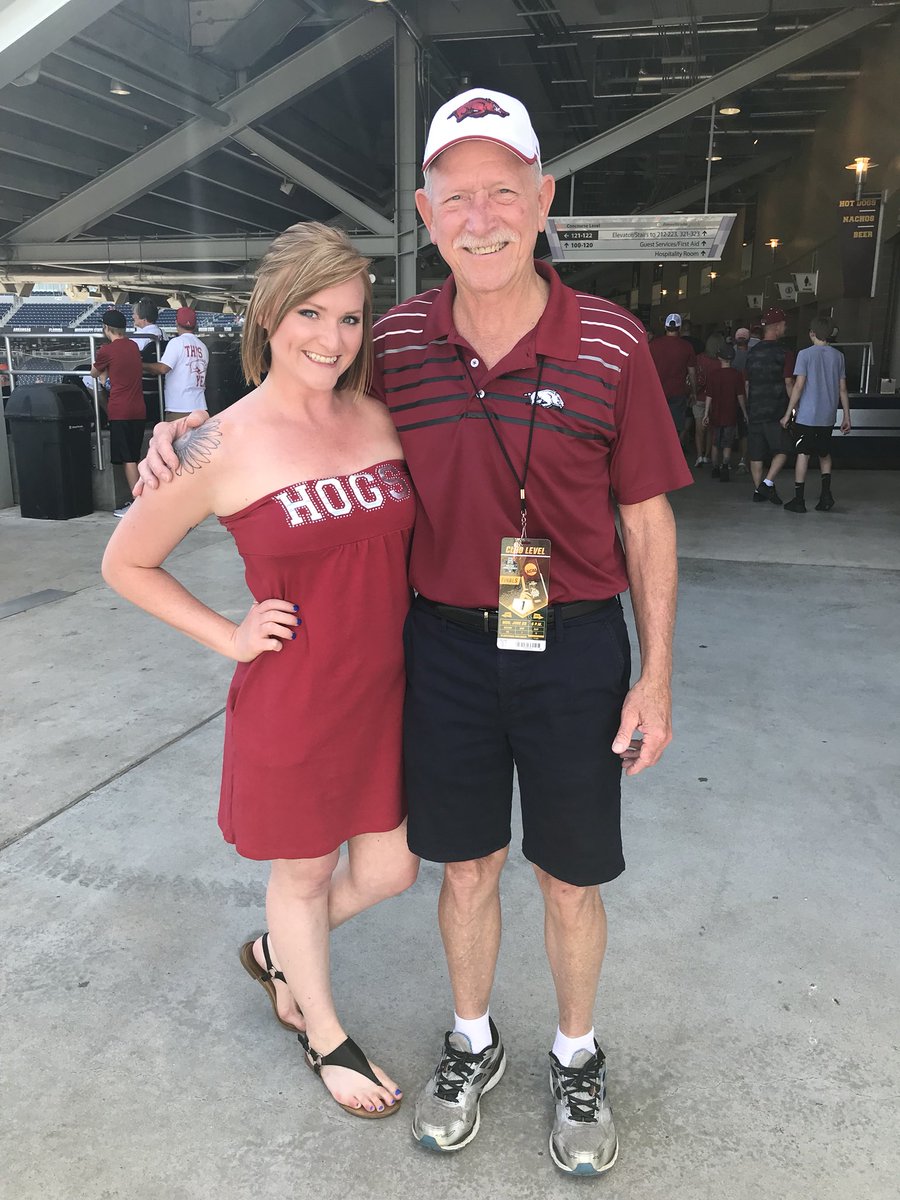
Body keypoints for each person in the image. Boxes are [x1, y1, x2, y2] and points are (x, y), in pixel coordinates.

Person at [137, 87, 691, 1177]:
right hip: (438, 645)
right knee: (464, 868)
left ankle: (576, 1055)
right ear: (428, 218)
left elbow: (646, 518)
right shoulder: (395, 339)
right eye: (455, 199)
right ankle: (471, 1039)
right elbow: (308, 397)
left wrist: (657, 675)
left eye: (502, 192)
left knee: (571, 876)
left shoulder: (616, 344)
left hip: (573, 642)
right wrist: (192, 429)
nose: (480, 218)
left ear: (541, 200)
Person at [103, 223, 418, 1119]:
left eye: (352, 318)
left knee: (392, 870)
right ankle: (320, 1030)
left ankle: (281, 951)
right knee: (306, 876)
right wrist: (230, 637)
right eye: (311, 313)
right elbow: (125, 564)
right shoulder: (214, 445)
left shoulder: (376, 413)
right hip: (299, 697)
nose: (332, 337)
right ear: (270, 316)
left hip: (391, 693)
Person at [781, 316, 851, 512]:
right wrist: (846, 415)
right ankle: (826, 495)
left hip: (807, 415)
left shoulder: (804, 355)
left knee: (803, 453)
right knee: (824, 453)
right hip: (828, 415)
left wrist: (788, 413)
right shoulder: (838, 356)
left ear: (812, 333)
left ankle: (799, 500)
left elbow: (799, 386)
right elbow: (842, 389)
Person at [90, 308, 145, 517]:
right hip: (139, 409)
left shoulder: (106, 350)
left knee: (128, 458)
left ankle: (137, 503)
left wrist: (103, 373)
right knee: (135, 455)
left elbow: (93, 372)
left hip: (120, 410)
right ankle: (141, 499)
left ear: (106, 328)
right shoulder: (133, 346)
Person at [744, 306, 796, 504]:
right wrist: (794, 408)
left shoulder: (752, 353)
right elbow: (788, 382)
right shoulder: (785, 352)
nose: (785, 327)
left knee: (756, 454)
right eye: (784, 324)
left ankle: (759, 490)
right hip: (776, 409)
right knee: (783, 449)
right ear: (776, 327)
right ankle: (767, 483)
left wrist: (749, 407)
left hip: (755, 408)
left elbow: (747, 383)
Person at [144, 306, 209, 419]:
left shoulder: (177, 342)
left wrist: (140, 365)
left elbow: (162, 368)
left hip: (179, 408)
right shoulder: (203, 346)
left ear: (176, 322)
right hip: (200, 407)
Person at [648, 312, 697, 442]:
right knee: (674, 428)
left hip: (656, 392)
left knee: (655, 425)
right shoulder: (686, 347)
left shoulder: (653, 345)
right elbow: (692, 372)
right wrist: (693, 392)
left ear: (665, 327)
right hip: (678, 392)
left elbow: (646, 369)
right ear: (680, 328)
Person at [703, 343, 747, 482]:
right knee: (727, 443)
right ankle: (725, 466)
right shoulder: (736, 375)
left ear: (719, 358)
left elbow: (709, 396)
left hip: (715, 412)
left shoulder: (713, 375)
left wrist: (705, 414)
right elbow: (740, 396)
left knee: (716, 442)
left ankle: (715, 467)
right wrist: (745, 412)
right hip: (731, 413)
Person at [693, 332, 725, 467]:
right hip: (715, 399)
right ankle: (707, 456)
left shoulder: (699, 358)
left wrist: (693, 393)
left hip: (700, 396)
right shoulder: (721, 362)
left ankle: (699, 456)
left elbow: (692, 375)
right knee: (712, 430)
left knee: (699, 429)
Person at [132, 298, 165, 423]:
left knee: (90, 379)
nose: (133, 316)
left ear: (144, 319)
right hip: (159, 384)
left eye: (135, 314)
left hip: (141, 383)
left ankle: (107, 418)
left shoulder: (140, 338)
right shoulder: (163, 334)